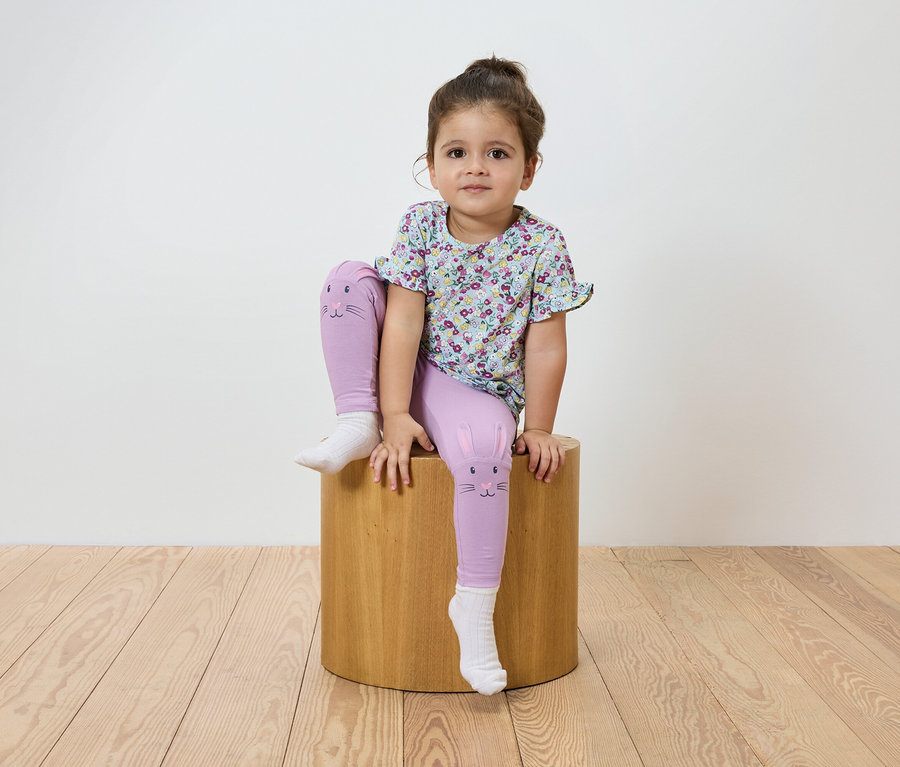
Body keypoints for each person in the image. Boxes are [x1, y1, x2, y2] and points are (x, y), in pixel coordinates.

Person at [295, 56, 592, 695]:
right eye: (456, 152)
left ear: (529, 169)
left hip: (475, 391)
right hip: (405, 375)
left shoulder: (543, 246)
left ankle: (474, 609)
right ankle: (356, 419)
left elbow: (545, 347)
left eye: (497, 153)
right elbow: (400, 325)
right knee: (348, 278)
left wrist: (538, 426)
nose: (475, 167)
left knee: (485, 453)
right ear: (432, 167)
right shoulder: (420, 226)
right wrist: (392, 414)